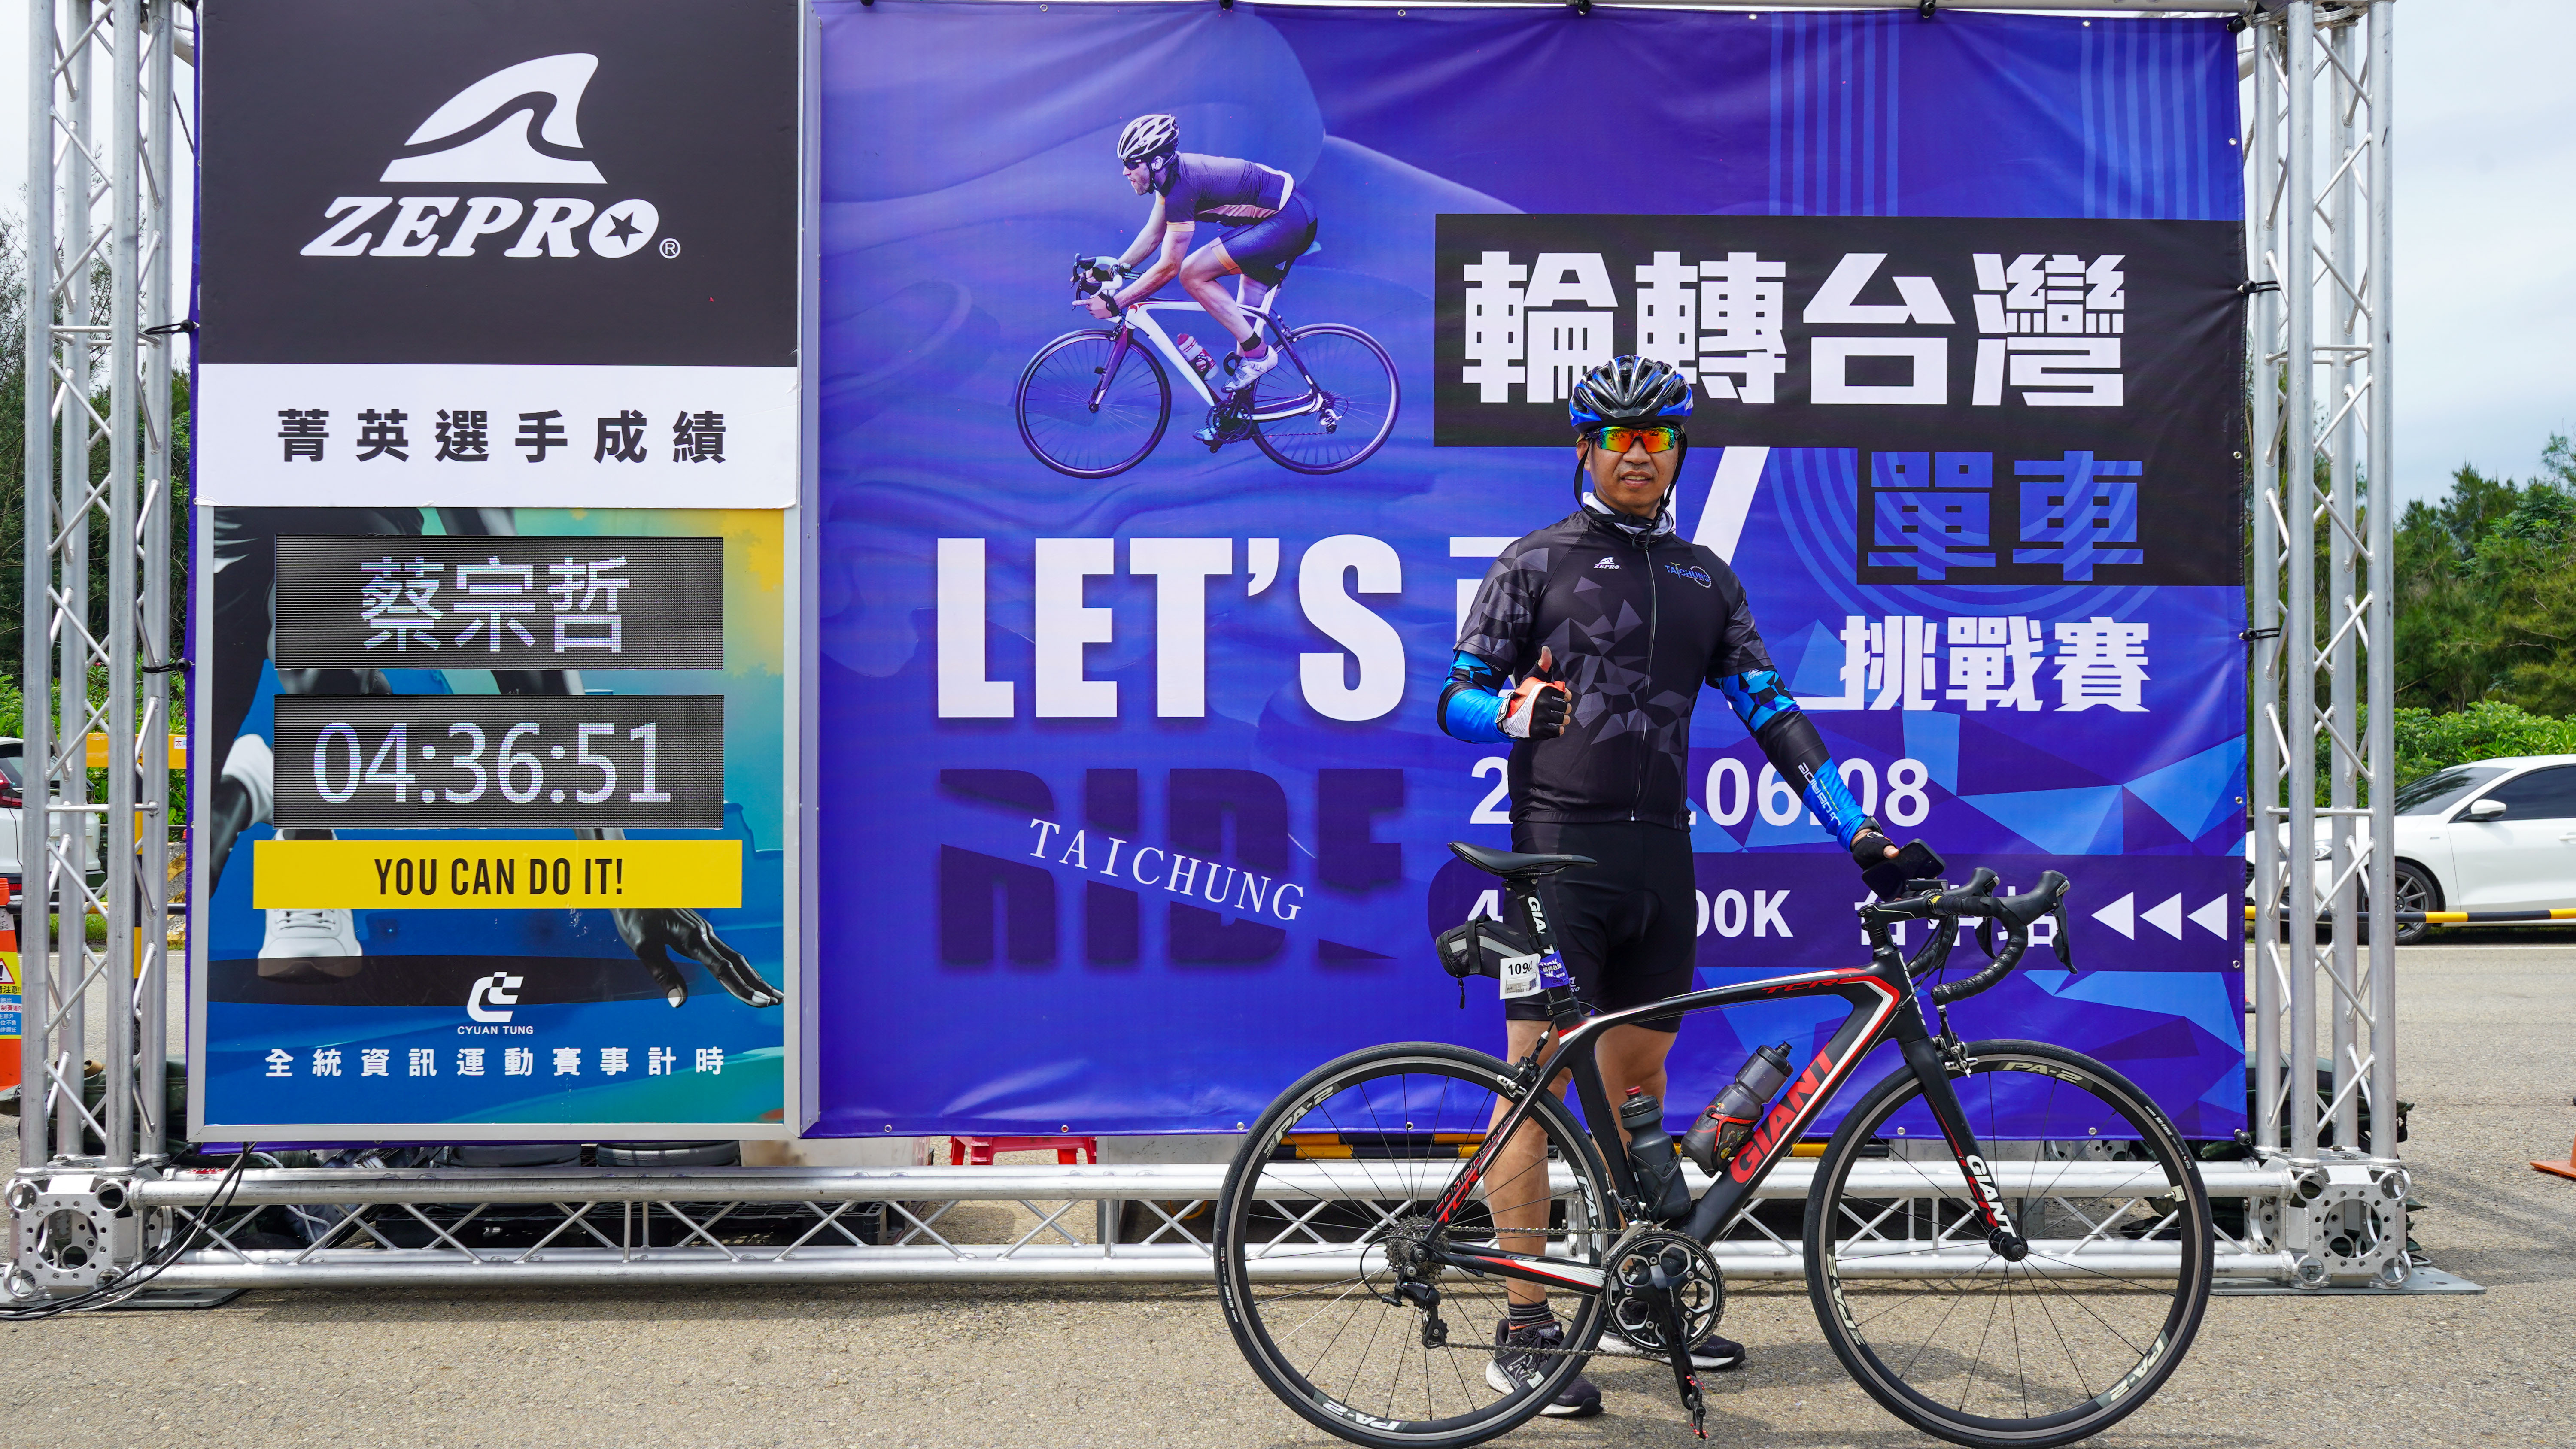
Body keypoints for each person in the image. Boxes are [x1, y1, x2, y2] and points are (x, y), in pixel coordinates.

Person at [1440, 355, 1901, 1416]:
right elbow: (1455, 696)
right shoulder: (1535, 560)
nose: (1637, 454)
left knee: (1636, 1090)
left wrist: (1858, 829)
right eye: (1618, 436)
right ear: (1585, 448)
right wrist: (1509, 712)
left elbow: (1771, 709)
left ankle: (1634, 1290)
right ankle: (1525, 1328)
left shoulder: (1706, 578)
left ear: (1680, 451)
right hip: (1557, 857)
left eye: (1656, 437)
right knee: (1535, 1086)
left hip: (1660, 861)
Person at [1084, 114, 1317, 441]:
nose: (1125, 171)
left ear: (1156, 162)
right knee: (1243, 327)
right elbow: (1152, 236)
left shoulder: (1182, 188)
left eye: (1132, 163)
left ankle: (1261, 354)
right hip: (1280, 220)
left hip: (1287, 222)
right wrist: (1114, 270)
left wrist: (1117, 302)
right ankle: (1236, 419)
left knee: (1193, 272)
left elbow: (1169, 267)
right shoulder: (1169, 181)